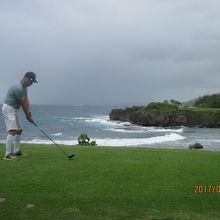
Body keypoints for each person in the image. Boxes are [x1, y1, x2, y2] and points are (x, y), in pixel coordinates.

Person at [2, 72, 38, 160]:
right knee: (13, 130)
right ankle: (7, 154)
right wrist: (28, 117)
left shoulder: (24, 88)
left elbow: (26, 100)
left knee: (20, 129)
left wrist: (29, 113)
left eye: (32, 82)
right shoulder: (18, 88)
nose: (31, 83)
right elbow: (23, 105)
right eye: (30, 81)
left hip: (14, 109)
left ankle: (16, 151)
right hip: (8, 108)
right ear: (25, 78)